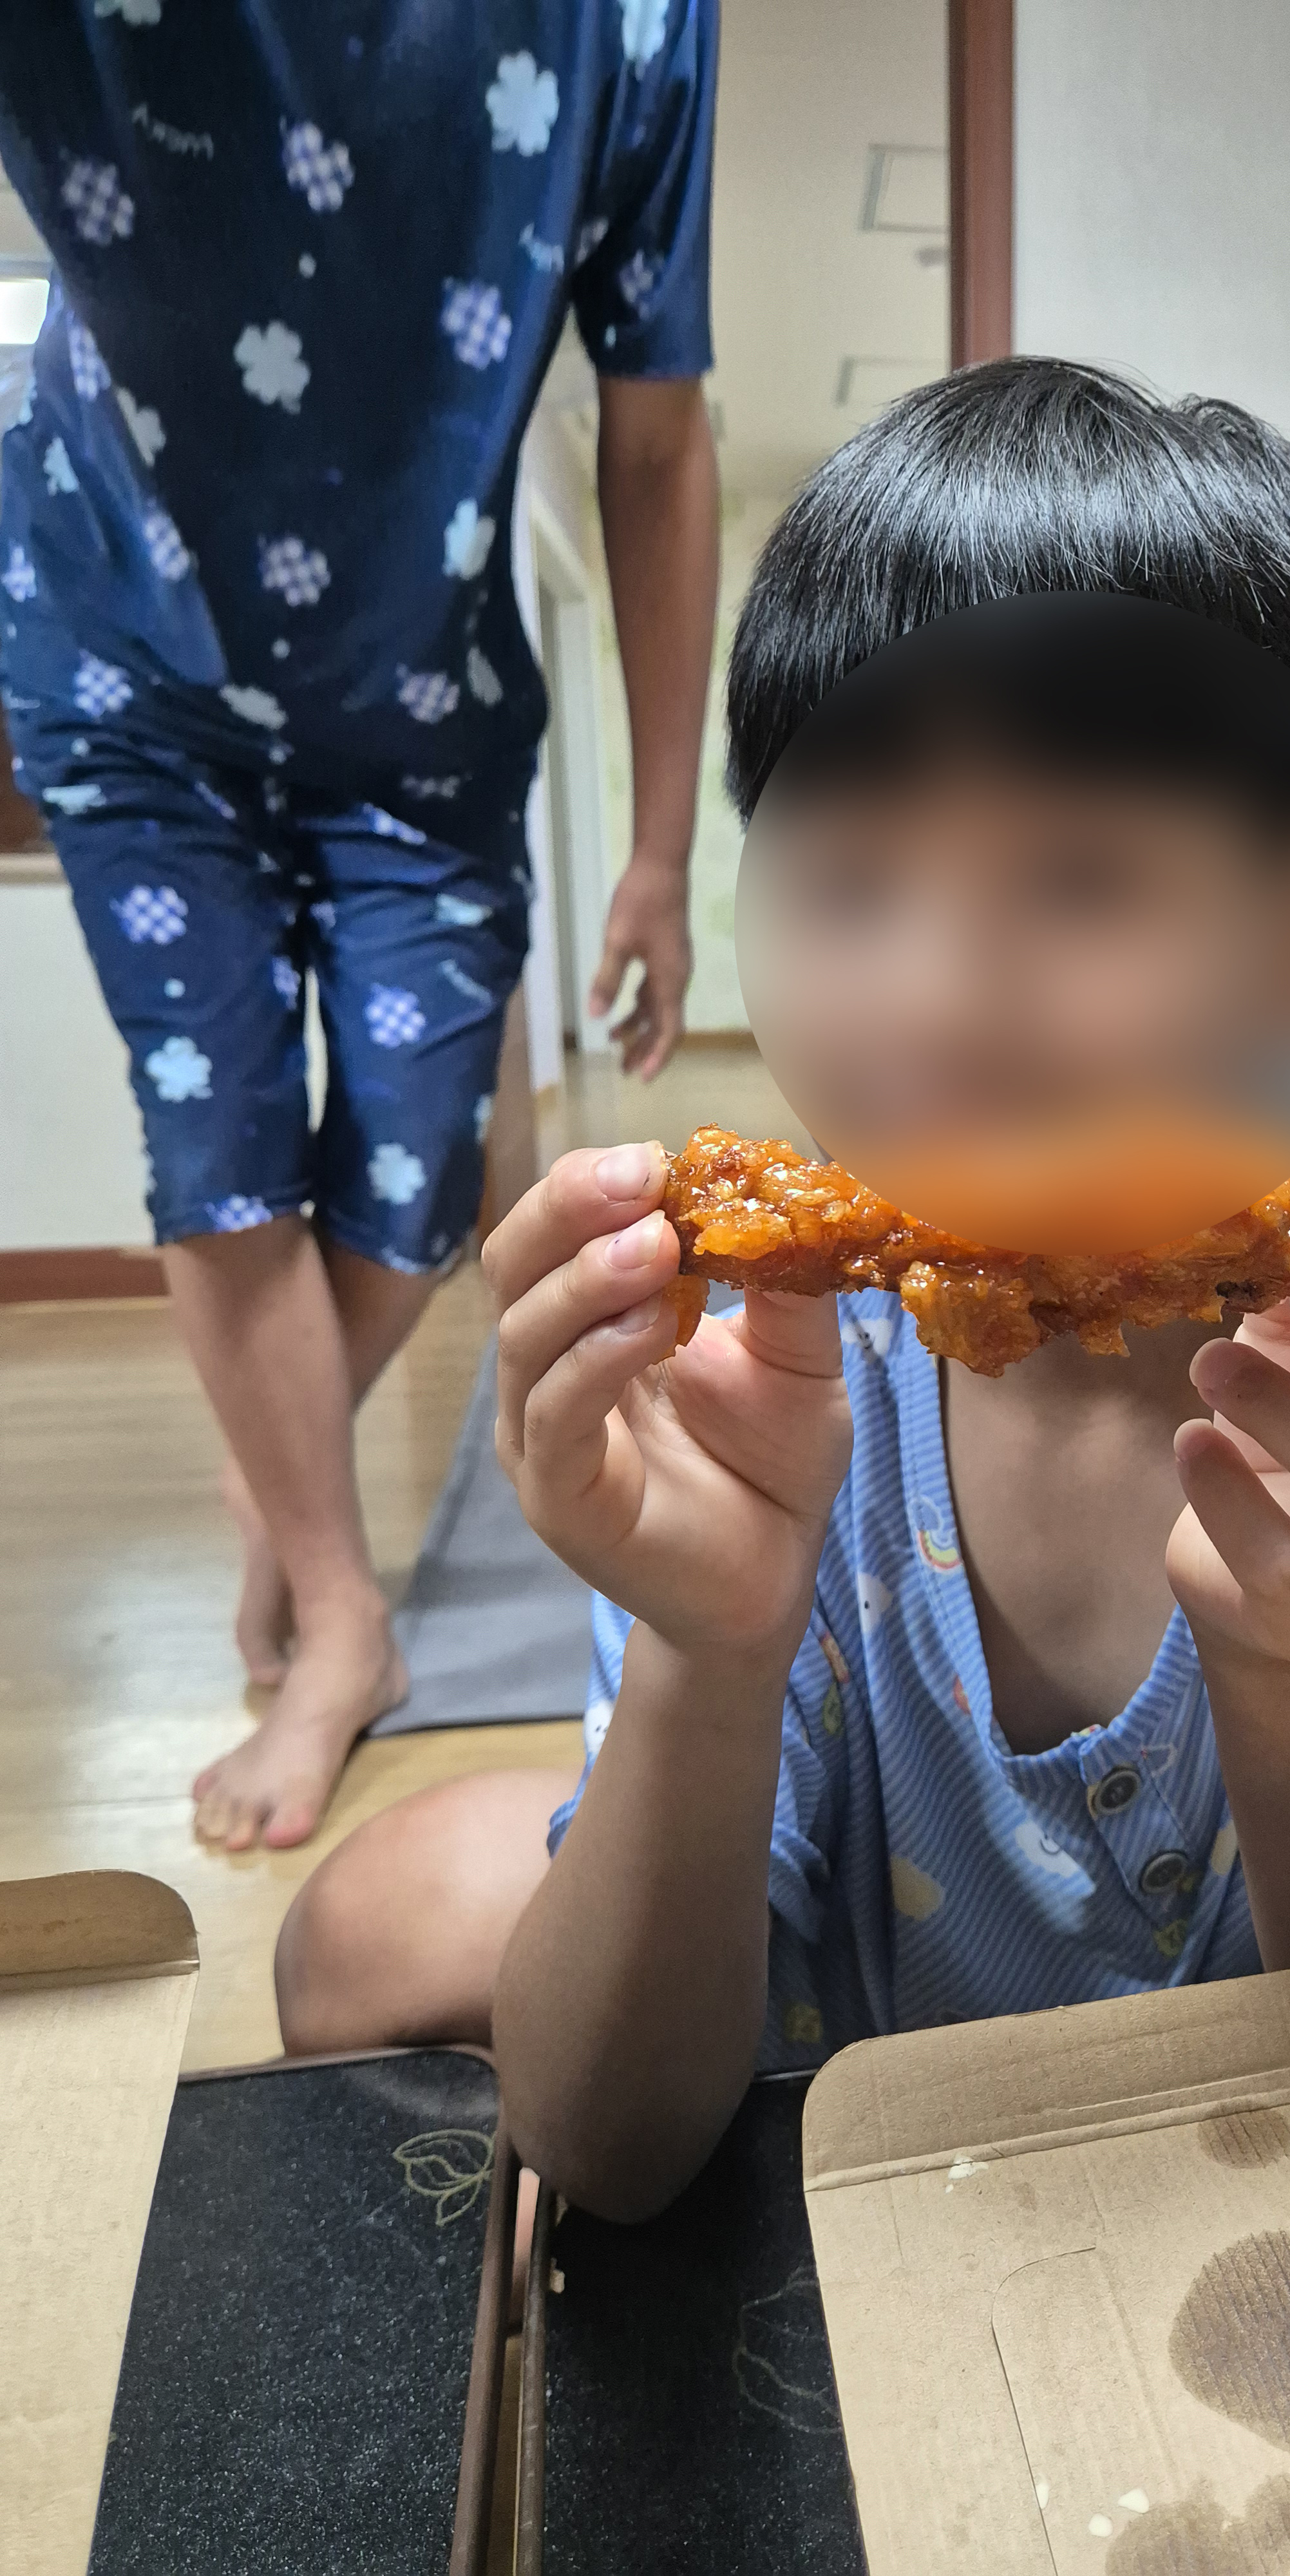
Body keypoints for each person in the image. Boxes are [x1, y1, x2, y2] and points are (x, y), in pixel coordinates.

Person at [274, 361, 1290, 2219]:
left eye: (1084, 883)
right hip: (867, 2130)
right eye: (853, 885)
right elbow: (615, 2150)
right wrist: (709, 1648)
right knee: (364, 1924)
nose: (938, 1003)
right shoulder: (753, 1374)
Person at [0, 4, 721, 1849]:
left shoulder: (635, 29)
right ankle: (343, 1622)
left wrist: (657, 849)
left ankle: (279, 1475)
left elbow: (656, 444)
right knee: (220, 1151)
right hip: (121, 664)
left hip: (430, 712)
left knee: (417, 1183)